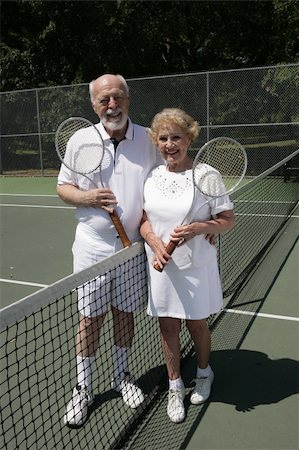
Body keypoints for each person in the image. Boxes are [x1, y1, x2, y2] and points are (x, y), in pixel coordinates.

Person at [57, 74, 162, 427]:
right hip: (92, 248)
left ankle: (122, 377)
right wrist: (87, 196)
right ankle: (83, 388)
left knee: (125, 313)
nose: (112, 105)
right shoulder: (80, 140)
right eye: (104, 100)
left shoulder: (149, 140)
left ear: (128, 99)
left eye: (117, 97)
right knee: (90, 319)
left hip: (132, 250)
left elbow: (164, 188)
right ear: (94, 104)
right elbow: (63, 188)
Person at [140, 108, 235, 423]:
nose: (169, 144)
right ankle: (174, 384)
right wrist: (154, 240)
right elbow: (143, 219)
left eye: (176, 137)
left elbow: (226, 220)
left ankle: (205, 373)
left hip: (195, 266)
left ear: (189, 138)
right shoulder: (152, 176)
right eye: (163, 138)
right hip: (163, 266)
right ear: (156, 141)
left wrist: (197, 229)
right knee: (167, 326)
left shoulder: (207, 175)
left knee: (196, 325)